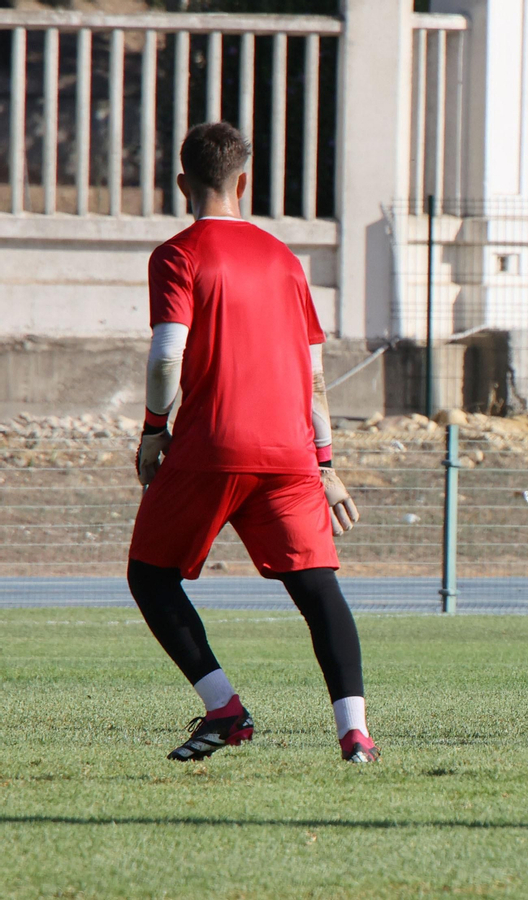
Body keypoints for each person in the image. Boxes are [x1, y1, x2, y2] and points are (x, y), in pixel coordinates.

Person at [127, 122, 376, 764]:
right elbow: (314, 375)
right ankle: (355, 734)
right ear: (246, 182)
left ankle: (225, 710)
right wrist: (326, 464)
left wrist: (155, 431)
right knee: (319, 590)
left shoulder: (177, 254)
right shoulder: (287, 261)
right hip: (291, 454)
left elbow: (165, 358)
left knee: (150, 576)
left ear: (181, 184)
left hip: (210, 447)